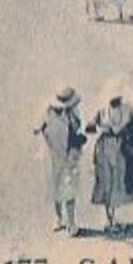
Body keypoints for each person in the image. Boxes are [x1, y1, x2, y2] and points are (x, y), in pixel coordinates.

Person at [86, 89, 133, 235]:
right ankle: (108, 219)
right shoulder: (102, 110)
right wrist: (100, 128)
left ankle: (113, 218)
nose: (116, 101)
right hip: (104, 147)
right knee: (106, 181)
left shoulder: (128, 109)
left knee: (118, 181)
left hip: (121, 148)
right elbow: (89, 126)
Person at [35, 87, 85, 236]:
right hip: (51, 155)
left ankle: (71, 222)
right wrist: (41, 130)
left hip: (69, 155)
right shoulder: (46, 112)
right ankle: (58, 218)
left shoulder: (73, 114)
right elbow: (36, 129)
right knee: (54, 187)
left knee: (69, 188)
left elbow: (78, 131)